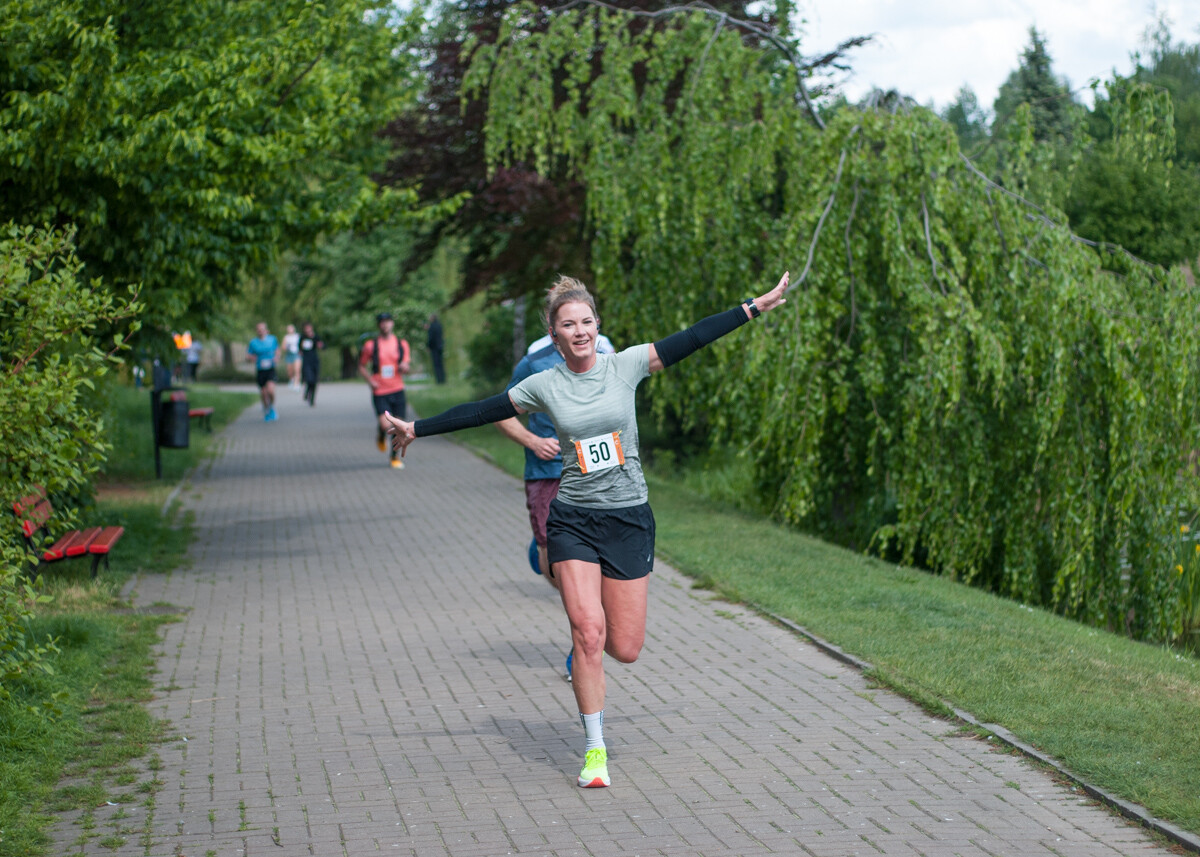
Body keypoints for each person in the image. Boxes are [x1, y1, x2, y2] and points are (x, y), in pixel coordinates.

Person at [384, 271, 789, 789]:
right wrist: (418, 428)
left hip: (628, 518)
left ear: (598, 327)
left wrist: (753, 307)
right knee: (588, 635)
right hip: (573, 517)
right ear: (553, 336)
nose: (579, 331)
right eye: (568, 324)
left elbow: (691, 338)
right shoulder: (543, 383)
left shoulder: (625, 366)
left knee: (626, 647)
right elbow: (483, 409)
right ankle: (595, 749)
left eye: (587, 322)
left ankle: (596, 666)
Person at [359, 312, 411, 469]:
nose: (385, 324)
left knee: (400, 427)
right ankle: (381, 434)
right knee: (386, 425)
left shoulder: (402, 344)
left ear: (392, 324)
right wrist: (370, 381)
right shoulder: (371, 345)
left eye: (388, 321)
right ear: (378, 325)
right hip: (380, 391)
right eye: (382, 322)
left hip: (397, 389)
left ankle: (394, 458)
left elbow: (407, 365)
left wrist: (405, 367)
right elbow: (361, 366)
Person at [246, 322, 280, 421]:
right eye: (258, 329)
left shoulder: (272, 339)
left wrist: (277, 357)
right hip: (260, 370)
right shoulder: (253, 342)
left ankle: (272, 407)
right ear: (257, 331)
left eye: (262, 329)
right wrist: (253, 358)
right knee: (264, 393)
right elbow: (248, 356)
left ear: (266, 330)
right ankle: (267, 410)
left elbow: (277, 351)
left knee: (270, 391)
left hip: (270, 369)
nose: (260, 331)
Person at [299, 322, 324, 407]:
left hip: (314, 360)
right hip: (306, 361)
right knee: (309, 379)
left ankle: (312, 399)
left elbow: (323, 346)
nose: (308, 330)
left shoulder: (316, 337)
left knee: (315, 381)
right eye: (306, 328)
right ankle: (307, 392)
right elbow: (299, 348)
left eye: (309, 328)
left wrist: (320, 345)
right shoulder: (302, 337)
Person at [425, 313, 446, 385]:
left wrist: (428, 346)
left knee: (436, 364)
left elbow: (430, 338)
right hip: (440, 346)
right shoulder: (439, 325)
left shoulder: (431, 326)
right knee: (441, 364)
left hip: (434, 347)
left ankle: (439, 381)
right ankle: (443, 379)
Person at [282, 324, 302, 390]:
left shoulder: (297, 336)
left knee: (297, 369)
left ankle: (297, 384)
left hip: (296, 354)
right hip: (289, 354)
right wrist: (287, 347)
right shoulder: (286, 337)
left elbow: (301, 345)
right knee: (290, 371)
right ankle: (291, 379)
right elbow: (283, 347)